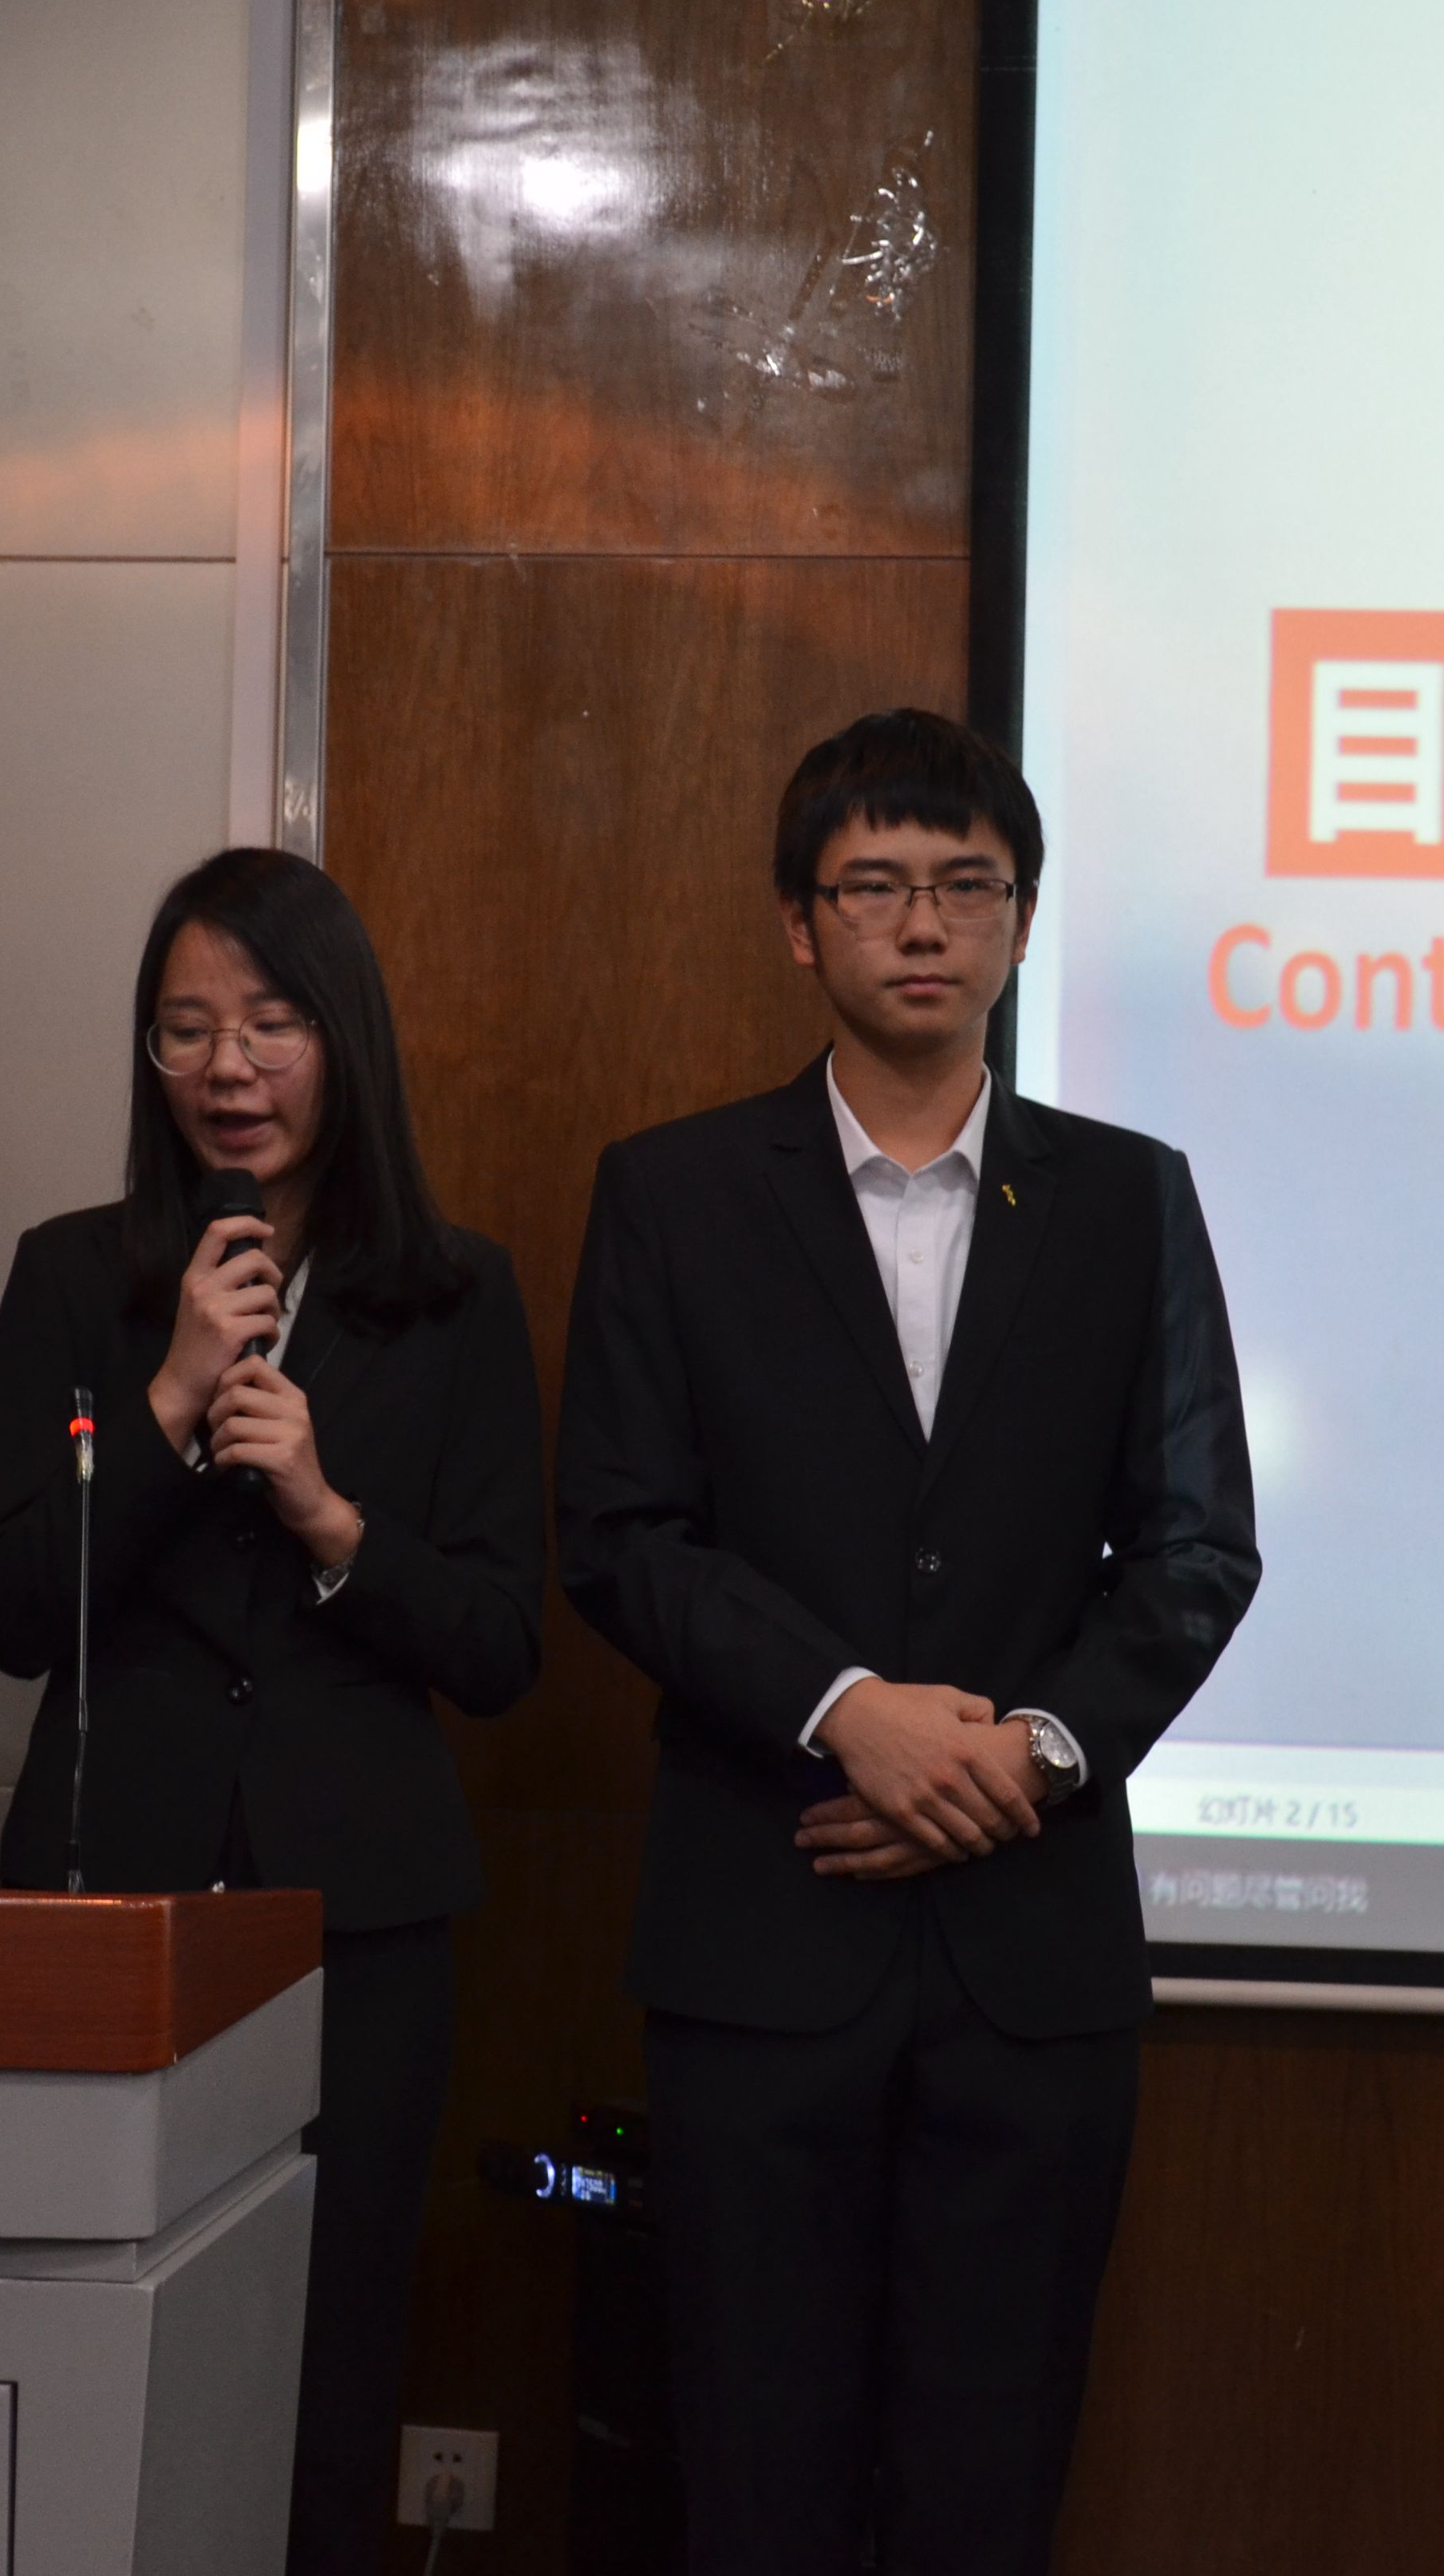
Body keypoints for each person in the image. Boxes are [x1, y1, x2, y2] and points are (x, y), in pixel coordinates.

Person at [556, 711, 1262, 2575]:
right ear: (800, 925)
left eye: (967, 885)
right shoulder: (675, 1193)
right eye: (875, 885)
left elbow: (1197, 1544)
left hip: (1031, 1962)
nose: (924, 924)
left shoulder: (1127, 1198)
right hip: (761, 1933)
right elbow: (616, 1534)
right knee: (753, 2484)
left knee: (986, 2490)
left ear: (1020, 921)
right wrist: (844, 1709)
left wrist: (1023, 1756)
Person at [0, 848, 545, 2576]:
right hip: (109, 1893)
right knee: (92, 2338)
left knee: (332, 2357)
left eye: (273, 1022)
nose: (229, 1066)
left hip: (358, 1919)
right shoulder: (73, 1275)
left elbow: (503, 1644)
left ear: (342, 1036)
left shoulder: (455, 1293)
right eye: (187, 1028)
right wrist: (163, 1402)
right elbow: (3, 1610)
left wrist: (332, 1518)